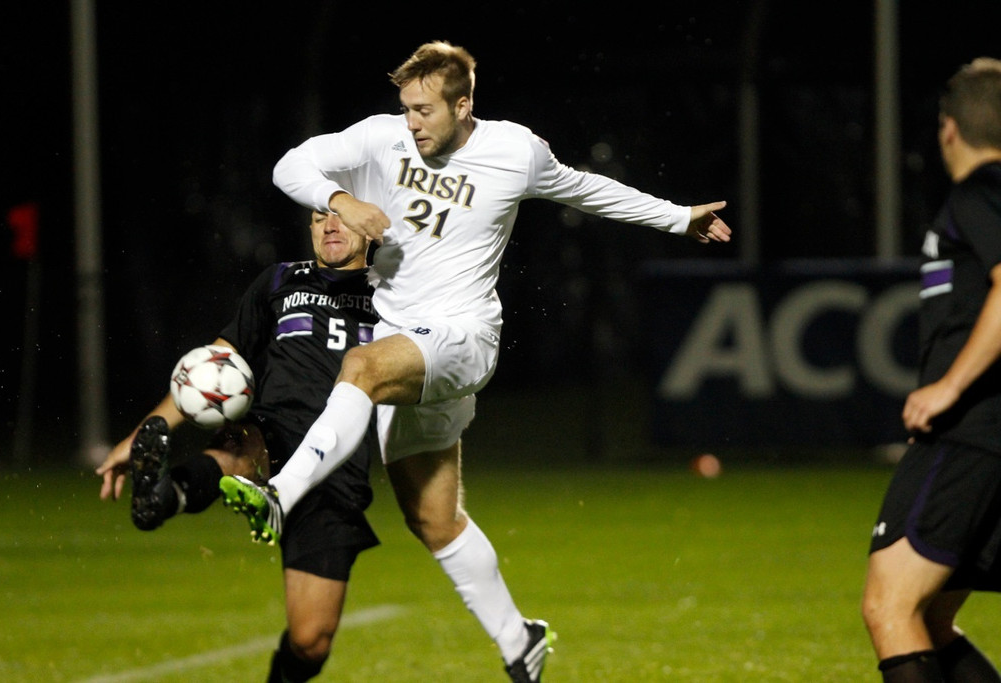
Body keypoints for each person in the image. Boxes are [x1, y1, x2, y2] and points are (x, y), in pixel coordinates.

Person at [221, 40, 731, 682]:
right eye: (406, 108)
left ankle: (279, 495)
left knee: (360, 369)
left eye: (426, 111)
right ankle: (521, 640)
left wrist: (679, 218)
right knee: (432, 518)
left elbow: (585, 190)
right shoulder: (382, 138)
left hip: (462, 336)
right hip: (407, 339)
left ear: (464, 105)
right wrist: (342, 200)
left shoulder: (515, 152)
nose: (413, 123)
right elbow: (291, 165)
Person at [97, 210, 380, 682]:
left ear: (369, 226)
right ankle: (161, 496)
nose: (329, 225)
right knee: (240, 448)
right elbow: (213, 368)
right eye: (318, 217)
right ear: (309, 229)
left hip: (338, 465)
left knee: (311, 641)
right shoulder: (280, 281)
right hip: (272, 427)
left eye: (342, 216)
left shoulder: (395, 290)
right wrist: (145, 431)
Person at [861, 57, 1001, 683]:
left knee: (889, 606)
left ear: (948, 129)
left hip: (970, 431)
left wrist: (948, 385)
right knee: (932, 617)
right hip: (986, 435)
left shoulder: (980, 193)